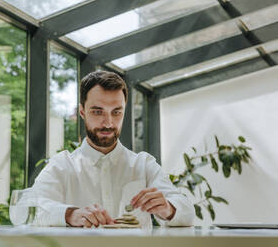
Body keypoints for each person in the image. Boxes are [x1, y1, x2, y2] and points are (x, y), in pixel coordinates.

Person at [32, 71, 194, 228]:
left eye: (116, 112)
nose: (108, 123)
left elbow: (187, 212)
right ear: (82, 112)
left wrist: (168, 208)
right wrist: (70, 215)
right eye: (97, 111)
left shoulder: (143, 165)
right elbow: (32, 208)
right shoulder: (62, 165)